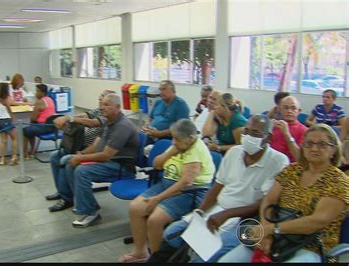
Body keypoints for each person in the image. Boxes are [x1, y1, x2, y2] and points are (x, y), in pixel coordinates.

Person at [148, 115, 289, 263]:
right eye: (246, 131)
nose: (248, 137)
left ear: (268, 137)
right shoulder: (234, 152)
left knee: (203, 255)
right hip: (218, 209)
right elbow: (217, 186)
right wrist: (200, 212)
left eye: (255, 133)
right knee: (172, 234)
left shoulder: (278, 161)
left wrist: (227, 214)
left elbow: (264, 203)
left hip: (246, 219)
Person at [219, 123, 349, 263]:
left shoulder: (339, 181)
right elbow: (269, 200)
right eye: (309, 143)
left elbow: (317, 221)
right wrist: (266, 235)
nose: (314, 148)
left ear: (334, 149)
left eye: (322, 144)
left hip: (312, 245)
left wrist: (271, 229)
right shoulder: (292, 170)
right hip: (276, 238)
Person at [119, 119, 215, 263]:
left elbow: (185, 182)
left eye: (177, 139)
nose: (174, 141)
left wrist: (157, 199)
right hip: (166, 185)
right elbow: (156, 165)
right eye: (173, 138)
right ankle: (141, 253)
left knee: (155, 220)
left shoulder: (196, 150)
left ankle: (158, 259)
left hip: (189, 192)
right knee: (135, 208)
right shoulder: (177, 144)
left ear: (190, 138)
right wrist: (172, 150)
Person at [49, 94, 138, 227]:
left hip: (121, 166)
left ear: (118, 107)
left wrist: (80, 158)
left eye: (107, 105)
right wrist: (81, 154)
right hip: (110, 161)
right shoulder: (109, 121)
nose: (102, 107)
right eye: (102, 104)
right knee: (69, 162)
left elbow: (106, 155)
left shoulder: (122, 126)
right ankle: (82, 202)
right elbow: (97, 144)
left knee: (82, 171)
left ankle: (90, 212)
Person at [45, 89, 115, 207]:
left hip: (91, 149)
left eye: (102, 96)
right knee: (54, 156)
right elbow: (84, 115)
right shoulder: (98, 110)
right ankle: (62, 191)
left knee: (65, 159)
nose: (99, 98)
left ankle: (67, 198)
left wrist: (69, 119)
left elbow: (92, 122)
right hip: (80, 146)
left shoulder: (108, 115)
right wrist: (66, 117)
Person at [22, 84, 56, 159]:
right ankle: (32, 150)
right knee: (31, 129)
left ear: (42, 93)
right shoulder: (50, 99)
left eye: (37, 91)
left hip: (44, 127)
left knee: (25, 130)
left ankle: (25, 154)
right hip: (53, 127)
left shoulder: (40, 102)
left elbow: (33, 118)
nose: (35, 93)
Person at [270, 96, 308, 162]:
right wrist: (267, 130)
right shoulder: (274, 126)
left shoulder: (304, 130)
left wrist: (287, 134)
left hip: (290, 168)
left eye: (293, 108)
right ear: (279, 109)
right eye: (285, 108)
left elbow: (300, 159)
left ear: (299, 111)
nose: (289, 111)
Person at [0, 83, 20, 166]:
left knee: (3, 140)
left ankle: (2, 159)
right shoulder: (5, 98)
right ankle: (14, 157)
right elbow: (9, 108)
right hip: (6, 120)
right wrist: (12, 117)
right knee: (14, 138)